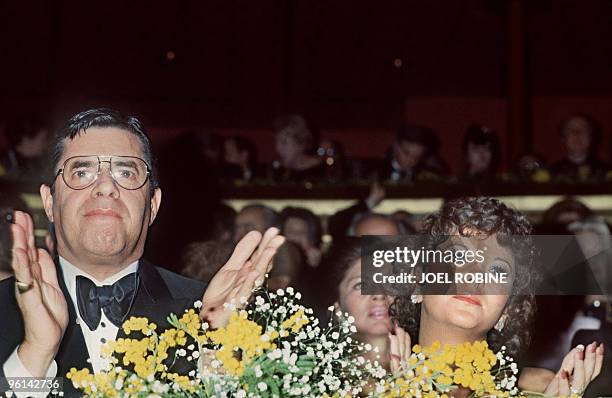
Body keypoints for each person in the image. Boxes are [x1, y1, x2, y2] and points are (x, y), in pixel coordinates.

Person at [0, 109, 284, 397]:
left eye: (125, 172)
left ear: (153, 205)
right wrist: (35, 356)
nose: (106, 186)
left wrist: (216, 355)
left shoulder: (206, 315)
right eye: (82, 171)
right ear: (49, 201)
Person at [389, 197, 604, 396]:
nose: (475, 275)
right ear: (416, 282)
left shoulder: (538, 390)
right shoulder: (364, 383)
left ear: (509, 309)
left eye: (498, 271)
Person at [380, 123, 448, 184]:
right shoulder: (376, 170)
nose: (411, 160)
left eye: (417, 157)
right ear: (395, 146)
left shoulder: (430, 176)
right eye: (406, 153)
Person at [550, 115, 608, 182]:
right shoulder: (550, 174)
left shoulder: (607, 173)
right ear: (563, 139)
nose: (577, 134)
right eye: (571, 130)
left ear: (590, 137)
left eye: (583, 129)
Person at [270, 114, 325, 183]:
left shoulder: (322, 170)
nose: (277, 148)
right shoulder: (278, 170)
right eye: (276, 142)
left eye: (284, 143)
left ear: (301, 144)